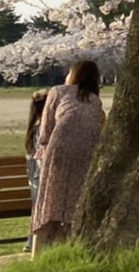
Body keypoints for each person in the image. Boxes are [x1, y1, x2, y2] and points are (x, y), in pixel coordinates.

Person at [31, 59, 105, 253]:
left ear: (74, 75)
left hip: (60, 151)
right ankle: (69, 249)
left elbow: (46, 130)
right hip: (87, 153)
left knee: (48, 202)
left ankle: (37, 253)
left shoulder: (58, 91)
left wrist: (42, 155)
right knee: (74, 203)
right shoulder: (95, 100)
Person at [22, 88, 50, 251]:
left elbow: (31, 167)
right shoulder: (46, 131)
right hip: (44, 181)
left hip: (35, 183)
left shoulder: (32, 132)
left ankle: (30, 241)